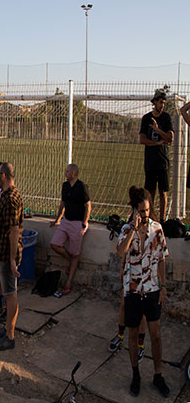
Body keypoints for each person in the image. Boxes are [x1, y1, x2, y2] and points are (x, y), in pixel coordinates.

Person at [118, 186, 171, 397]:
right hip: (133, 290)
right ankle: (135, 375)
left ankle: (158, 375)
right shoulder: (125, 230)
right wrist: (132, 229)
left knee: (155, 335)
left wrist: (163, 286)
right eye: (141, 210)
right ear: (134, 210)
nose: (145, 214)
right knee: (133, 335)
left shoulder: (157, 228)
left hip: (152, 289)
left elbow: (162, 258)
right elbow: (121, 252)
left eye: (147, 210)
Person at [0, 163, 24, 351]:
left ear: (3, 175)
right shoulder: (9, 195)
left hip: (5, 254)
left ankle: (10, 336)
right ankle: (7, 327)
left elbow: (14, 230)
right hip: (1, 252)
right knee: (8, 292)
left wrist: (11, 259)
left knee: (10, 294)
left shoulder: (10, 199)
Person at [52, 163, 90, 298]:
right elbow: (62, 204)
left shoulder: (82, 187)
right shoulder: (65, 186)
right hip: (66, 221)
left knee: (75, 254)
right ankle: (71, 262)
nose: (65, 173)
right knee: (55, 244)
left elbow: (88, 206)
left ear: (73, 173)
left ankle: (68, 284)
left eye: (67, 171)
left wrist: (84, 223)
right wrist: (57, 219)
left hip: (77, 223)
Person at [141, 88, 175, 221]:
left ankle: (162, 221)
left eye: (164, 103)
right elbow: (142, 139)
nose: (162, 105)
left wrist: (157, 130)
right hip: (150, 161)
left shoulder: (166, 118)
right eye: (160, 102)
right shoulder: (146, 118)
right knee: (150, 193)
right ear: (154, 102)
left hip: (163, 161)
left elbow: (170, 138)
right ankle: (151, 219)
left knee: (163, 193)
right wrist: (156, 143)